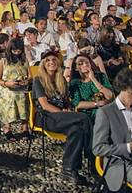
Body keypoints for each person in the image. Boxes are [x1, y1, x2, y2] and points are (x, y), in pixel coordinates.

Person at [32, 51, 93, 184]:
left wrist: (67, 110)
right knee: (83, 118)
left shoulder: (61, 80)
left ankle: (69, 169)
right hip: (46, 117)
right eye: (47, 60)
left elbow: (67, 102)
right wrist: (65, 113)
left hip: (60, 117)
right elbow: (45, 105)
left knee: (77, 130)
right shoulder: (38, 80)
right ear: (43, 64)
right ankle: (91, 156)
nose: (51, 62)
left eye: (54, 59)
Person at [0, 38, 30, 140]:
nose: (17, 53)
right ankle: (7, 127)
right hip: (6, 87)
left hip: (21, 87)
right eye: (15, 51)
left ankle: (24, 126)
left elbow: (30, 76)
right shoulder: (3, 61)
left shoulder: (24, 60)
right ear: (10, 50)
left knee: (23, 96)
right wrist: (7, 83)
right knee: (11, 96)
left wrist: (27, 81)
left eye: (19, 51)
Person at [68, 54, 114, 122]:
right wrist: (97, 104)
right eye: (81, 64)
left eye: (87, 62)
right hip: (88, 113)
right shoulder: (75, 83)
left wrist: (93, 79)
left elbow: (110, 95)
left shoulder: (101, 76)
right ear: (76, 68)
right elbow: (77, 104)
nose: (85, 65)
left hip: (106, 109)